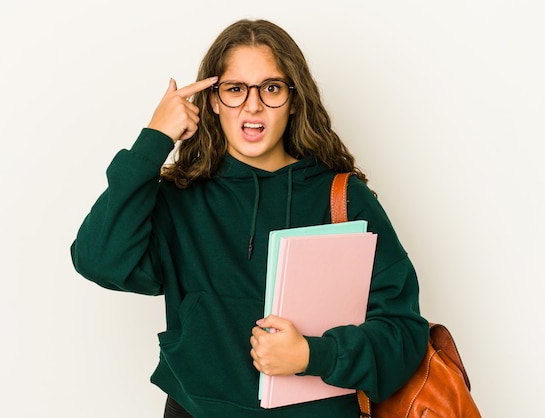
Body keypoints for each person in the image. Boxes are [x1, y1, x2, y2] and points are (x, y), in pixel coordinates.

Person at [70, 18, 428, 418]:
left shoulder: (342, 199)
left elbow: (403, 335)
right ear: (213, 101)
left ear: (294, 99)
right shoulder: (180, 199)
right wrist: (155, 138)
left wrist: (314, 354)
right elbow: (98, 259)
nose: (253, 104)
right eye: (236, 89)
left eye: (271, 88)